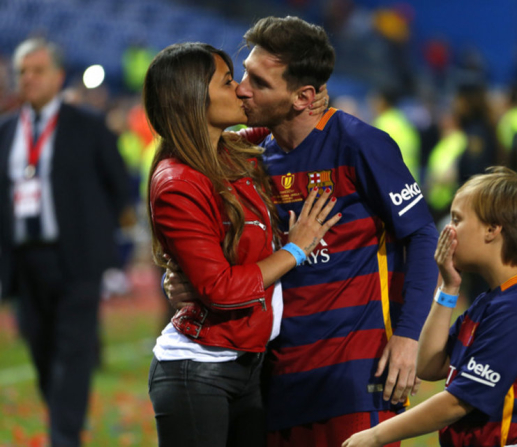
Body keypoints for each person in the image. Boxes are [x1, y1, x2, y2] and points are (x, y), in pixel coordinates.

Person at [166, 16, 439, 447]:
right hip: (276, 376)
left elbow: (422, 234)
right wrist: (186, 278)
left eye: (259, 82)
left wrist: (407, 337)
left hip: (354, 374)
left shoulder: (361, 145)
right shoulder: (252, 157)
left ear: (303, 97)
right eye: (243, 76)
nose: (242, 89)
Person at [143, 42, 340, 447]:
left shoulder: (230, 151)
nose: (241, 90)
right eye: (229, 81)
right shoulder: (177, 183)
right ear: (193, 97)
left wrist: (303, 93)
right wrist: (296, 249)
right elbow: (222, 290)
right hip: (198, 371)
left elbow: (280, 122)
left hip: (247, 364)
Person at [343, 166, 517, 447]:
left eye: (457, 219)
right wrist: (448, 287)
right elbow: (428, 365)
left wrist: (376, 435)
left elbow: (458, 403)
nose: (447, 229)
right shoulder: (495, 300)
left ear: (492, 229)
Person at [0, 38, 131, 446]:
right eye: (23, 71)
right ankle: (62, 423)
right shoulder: (5, 132)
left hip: (76, 259)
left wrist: (98, 233)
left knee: (74, 352)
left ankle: (64, 437)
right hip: (24, 260)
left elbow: (119, 186)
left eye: (38, 70)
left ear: (58, 76)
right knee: (39, 347)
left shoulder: (87, 125)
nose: (29, 79)